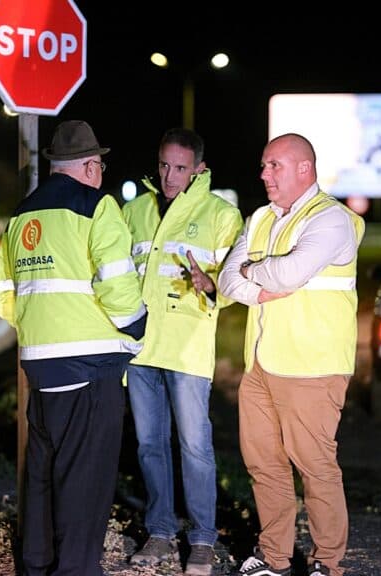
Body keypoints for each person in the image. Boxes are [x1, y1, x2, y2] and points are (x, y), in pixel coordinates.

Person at [0, 120, 147, 576]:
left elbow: (0, 293)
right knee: (85, 482)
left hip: (40, 365)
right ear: (92, 167)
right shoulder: (97, 207)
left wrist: (42, 326)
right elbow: (116, 283)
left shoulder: (21, 216)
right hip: (90, 367)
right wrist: (137, 327)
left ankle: (37, 566)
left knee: (42, 474)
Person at [217, 133, 365, 576]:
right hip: (261, 363)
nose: (263, 174)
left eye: (274, 165)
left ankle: (327, 564)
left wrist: (252, 272)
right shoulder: (260, 217)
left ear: (305, 168)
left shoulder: (331, 218)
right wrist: (258, 287)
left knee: (315, 468)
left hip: (313, 366)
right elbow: (227, 281)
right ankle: (273, 558)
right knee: (264, 466)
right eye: (264, 165)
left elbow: (290, 272)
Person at [123, 127, 243, 576]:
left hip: (187, 348)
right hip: (141, 349)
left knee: (195, 447)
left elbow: (236, 278)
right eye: (163, 165)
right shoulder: (134, 211)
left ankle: (203, 539)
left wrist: (212, 285)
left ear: (199, 169)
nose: (170, 176)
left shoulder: (221, 215)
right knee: (149, 446)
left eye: (180, 167)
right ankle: (159, 532)